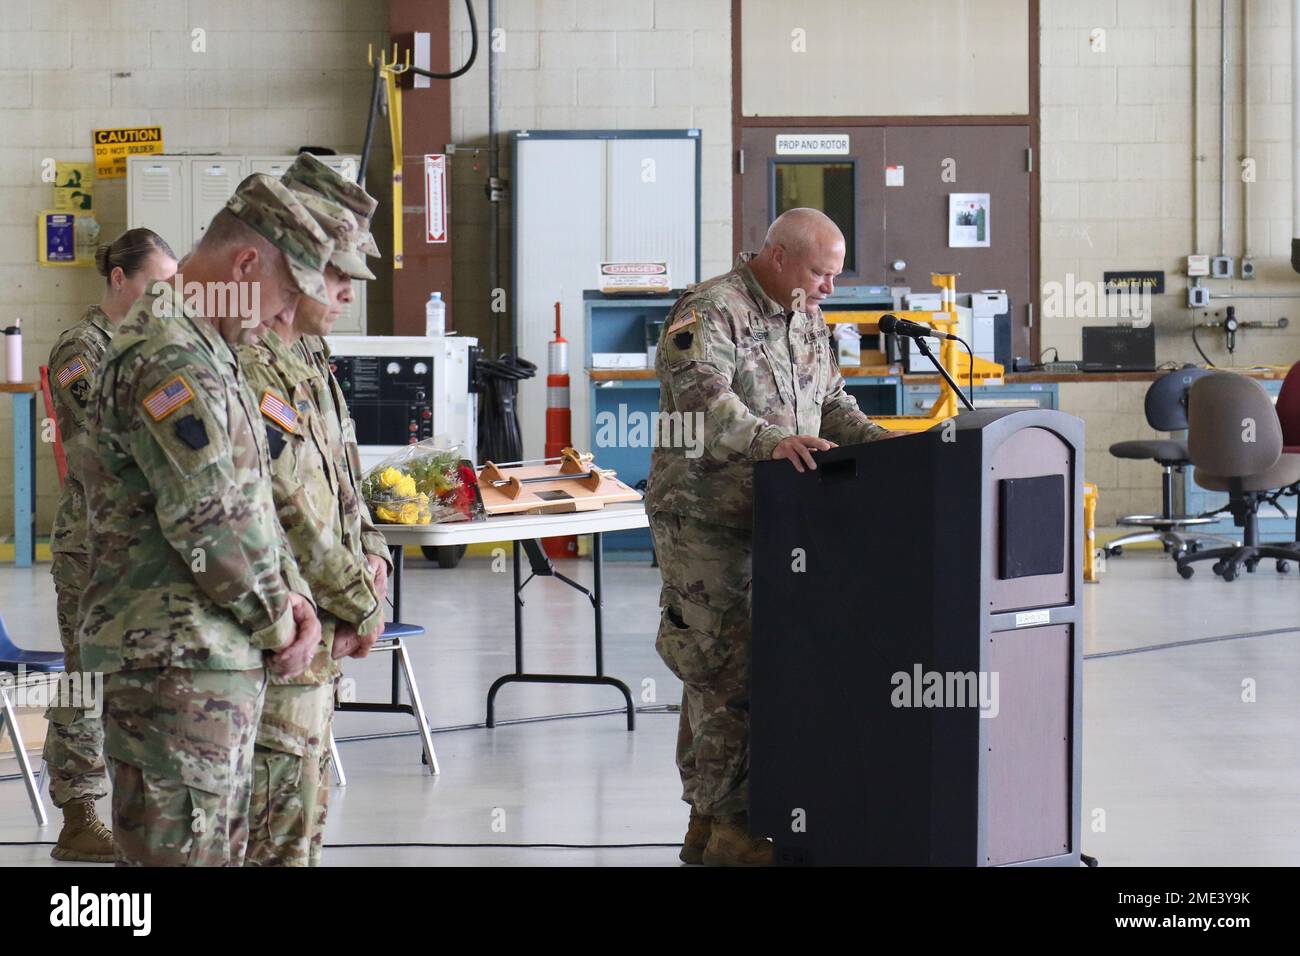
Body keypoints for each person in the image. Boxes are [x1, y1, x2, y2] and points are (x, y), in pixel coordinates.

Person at [77, 174, 333, 866]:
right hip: (172, 667)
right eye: (284, 297)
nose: (281, 319)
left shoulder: (207, 345)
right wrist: (283, 623)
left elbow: (250, 496)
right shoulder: (169, 352)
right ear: (245, 265)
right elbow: (208, 521)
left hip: (208, 661)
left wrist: (295, 595)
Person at [644, 207, 899, 867]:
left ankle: (708, 822)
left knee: (744, 667)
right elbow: (700, 396)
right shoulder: (709, 310)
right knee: (724, 670)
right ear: (779, 256)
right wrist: (771, 440)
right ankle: (736, 835)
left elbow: (833, 405)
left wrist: (891, 450)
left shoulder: (806, 318)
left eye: (835, 276)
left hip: (783, 518)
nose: (829, 288)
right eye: (821, 272)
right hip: (706, 519)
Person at [237, 190, 383, 867]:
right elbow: (286, 501)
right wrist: (359, 598)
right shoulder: (250, 360)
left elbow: (344, 482)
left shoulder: (313, 359)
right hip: (289, 624)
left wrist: (375, 557)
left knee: (305, 811)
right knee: (276, 822)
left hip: (329, 622)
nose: (351, 293)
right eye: (340, 276)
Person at [44, 228, 177, 862]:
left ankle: (133, 808)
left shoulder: (147, 347)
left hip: (141, 542)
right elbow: (115, 425)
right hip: (90, 542)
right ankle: (77, 813)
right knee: (83, 677)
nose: (163, 297)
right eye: (155, 284)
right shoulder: (83, 345)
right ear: (120, 279)